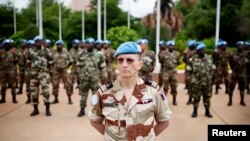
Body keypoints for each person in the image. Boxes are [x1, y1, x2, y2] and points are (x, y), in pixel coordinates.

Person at [88, 41, 172, 140]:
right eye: (120, 60)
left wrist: (147, 138)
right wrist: (111, 137)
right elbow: (95, 120)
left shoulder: (154, 92)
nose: (124, 64)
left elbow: (164, 121)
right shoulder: (104, 92)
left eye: (130, 60)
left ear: (140, 65)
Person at [77, 38, 107, 117]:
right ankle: (82, 109)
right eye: (86, 43)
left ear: (93, 45)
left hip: (95, 79)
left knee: (95, 96)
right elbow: (78, 66)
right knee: (83, 95)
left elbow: (102, 67)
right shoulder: (81, 54)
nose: (87, 45)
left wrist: (103, 78)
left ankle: (95, 111)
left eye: (89, 43)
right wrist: (80, 76)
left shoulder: (99, 54)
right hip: (84, 79)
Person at [26, 35, 53, 116]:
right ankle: (35, 110)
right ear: (34, 43)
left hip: (44, 74)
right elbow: (28, 60)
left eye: (39, 41)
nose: (38, 43)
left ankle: (47, 110)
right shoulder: (30, 51)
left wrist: (46, 69)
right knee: (34, 93)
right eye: (36, 42)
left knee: (46, 92)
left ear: (42, 42)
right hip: (34, 75)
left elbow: (51, 61)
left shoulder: (46, 50)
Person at [187, 42, 215, 118]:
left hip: (207, 83)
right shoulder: (192, 59)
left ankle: (207, 111)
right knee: (196, 98)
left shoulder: (210, 59)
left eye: (203, 49)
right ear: (197, 51)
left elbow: (212, 69)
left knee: (207, 97)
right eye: (200, 50)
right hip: (197, 83)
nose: (202, 51)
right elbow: (189, 70)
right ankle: (195, 111)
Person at [51, 40, 73, 104]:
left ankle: (69, 98)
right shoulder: (53, 52)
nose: (59, 46)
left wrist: (66, 66)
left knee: (67, 84)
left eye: (61, 45)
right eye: (58, 45)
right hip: (56, 71)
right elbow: (50, 61)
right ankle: (55, 98)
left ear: (62, 46)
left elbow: (71, 60)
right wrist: (53, 67)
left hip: (64, 70)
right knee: (55, 84)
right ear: (56, 46)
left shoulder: (66, 51)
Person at [160, 40, 180, 105]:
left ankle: (174, 100)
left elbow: (178, 61)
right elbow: (161, 62)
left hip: (173, 72)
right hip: (166, 71)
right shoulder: (163, 53)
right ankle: (163, 100)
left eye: (172, 45)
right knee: (165, 87)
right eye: (170, 45)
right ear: (168, 46)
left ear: (174, 46)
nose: (171, 47)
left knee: (174, 86)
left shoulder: (177, 53)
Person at [228, 41, 247, 106]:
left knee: (242, 87)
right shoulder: (233, 54)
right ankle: (230, 101)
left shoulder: (246, 54)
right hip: (235, 73)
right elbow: (230, 62)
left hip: (242, 73)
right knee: (231, 87)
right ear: (237, 46)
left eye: (241, 45)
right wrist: (233, 68)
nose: (240, 47)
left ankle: (242, 101)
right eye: (239, 45)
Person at [0, 39, 18, 104]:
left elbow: (16, 60)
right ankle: (3, 99)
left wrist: (12, 67)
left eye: (8, 44)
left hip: (11, 71)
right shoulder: (1, 51)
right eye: (6, 44)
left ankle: (14, 98)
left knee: (13, 85)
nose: (7, 45)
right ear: (4, 45)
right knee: (3, 85)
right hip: (2, 71)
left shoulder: (13, 52)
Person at [183, 40, 196, 105]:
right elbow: (184, 59)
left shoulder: (197, 51)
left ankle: (195, 99)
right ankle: (190, 99)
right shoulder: (186, 51)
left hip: (196, 70)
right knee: (189, 84)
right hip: (189, 70)